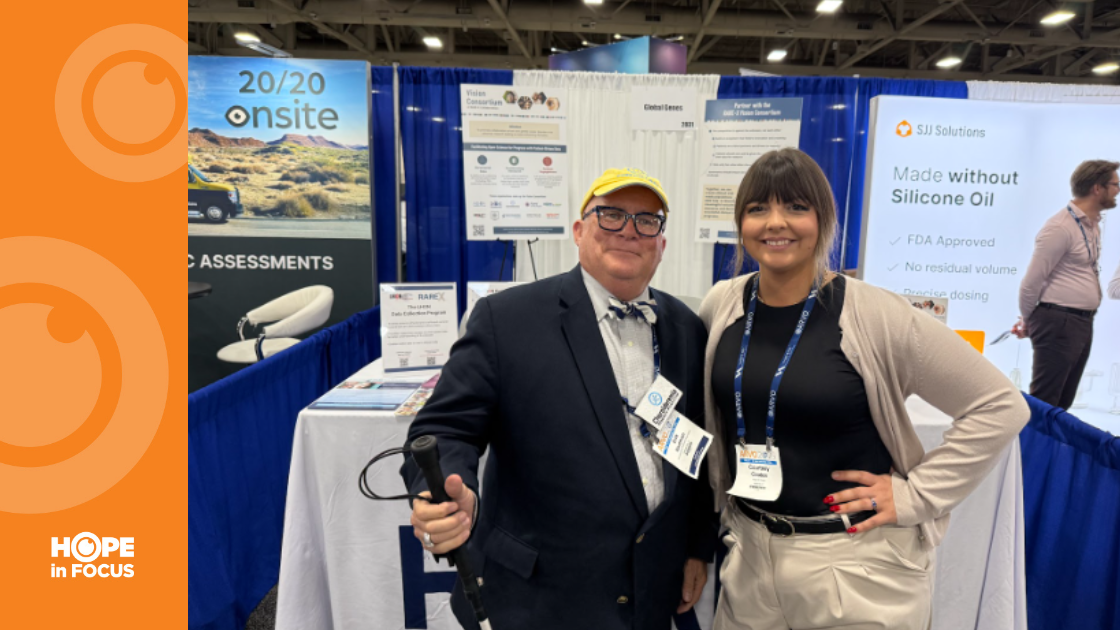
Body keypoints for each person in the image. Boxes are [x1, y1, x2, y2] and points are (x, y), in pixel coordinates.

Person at [699, 148, 1029, 629]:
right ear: (740, 222)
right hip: (750, 557)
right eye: (757, 209)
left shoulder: (876, 315)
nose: (775, 223)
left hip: (856, 568)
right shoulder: (723, 305)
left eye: (795, 207)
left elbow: (1001, 406)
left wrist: (916, 496)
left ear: (823, 218)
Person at [401, 168, 716, 630]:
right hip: (538, 598)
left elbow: (697, 452)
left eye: (647, 220)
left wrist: (694, 548)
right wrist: (450, 486)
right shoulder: (506, 320)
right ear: (579, 231)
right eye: (610, 215)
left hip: (649, 592)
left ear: (661, 244)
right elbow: (446, 428)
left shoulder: (686, 327)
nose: (629, 230)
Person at [1012, 160, 1118, 409]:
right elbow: (1030, 284)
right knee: (1045, 402)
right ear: (1097, 188)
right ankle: (1031, 449)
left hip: (1079, 322)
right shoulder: (1060, 227)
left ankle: (1045, 449)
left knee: (1062, 403)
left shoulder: (1092, 225)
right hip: (1059, 322)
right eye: (1115, 184)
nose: (1118, 190)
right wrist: (1029, 321)